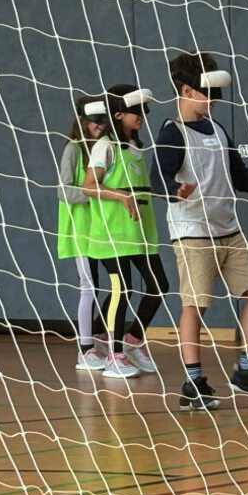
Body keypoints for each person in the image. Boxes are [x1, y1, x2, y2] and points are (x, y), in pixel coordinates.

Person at [150, 51, 248, 410]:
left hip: (229, 228)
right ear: (188, 90)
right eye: (208, 93)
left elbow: (240, 176)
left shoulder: (219, 129)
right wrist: (175, 191)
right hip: (192, 232)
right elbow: (157, 178)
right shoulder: (172, 133)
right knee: (196, 305)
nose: (213, 102)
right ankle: (193, 382)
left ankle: (246, 368)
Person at [82, 85, 170, 379]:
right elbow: (88, 186)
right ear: (118, 114)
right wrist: (122, 196)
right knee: (122, 289)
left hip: (140, 232)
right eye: (136, 112)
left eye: (144, 111)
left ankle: (132, 341)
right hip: (112, 232)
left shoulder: (137, 147)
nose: (142, 117)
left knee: (159, 285)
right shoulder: (104, 146)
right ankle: (113, 354)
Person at [57, 95, 111, 372]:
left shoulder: (105, 149)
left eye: (104, 122)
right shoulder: (73, 150)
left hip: (104, 229)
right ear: (83, 121)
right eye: (94, 122)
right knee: (88, 288)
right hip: (81, 230)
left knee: (111, 286)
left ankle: (100, 337)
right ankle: (85, 349)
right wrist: (93, 194)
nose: (99, 127)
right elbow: (63, 190)